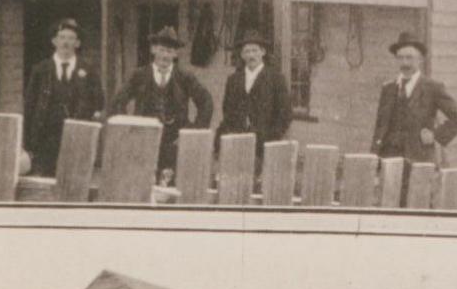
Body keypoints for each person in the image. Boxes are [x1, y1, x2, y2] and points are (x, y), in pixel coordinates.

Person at [110, 26, 213, 179]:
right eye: (162, 50)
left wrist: (192, 132)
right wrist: (131, 130)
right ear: (153, 50)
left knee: (173, 183)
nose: (165, 55)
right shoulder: (139, 75)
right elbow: (118, 102)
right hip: (145, 141)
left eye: (170, 51)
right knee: (142, 181)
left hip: (175, 143)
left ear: (176, 54)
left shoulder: (185, 77)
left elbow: (206, 102)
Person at [371, 31, 457, 180]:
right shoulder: (388, 88)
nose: (405, 63)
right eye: (400, 58)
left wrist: (435, 135)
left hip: (418, 163)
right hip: (389, 161)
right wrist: (375, 160)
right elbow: (380, 128)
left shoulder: (432, 87)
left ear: (420, 60)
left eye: (409, 58)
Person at [23, 18, 104, 177]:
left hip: (77, 138)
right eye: (62, 37)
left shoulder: (88, 71)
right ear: (54, 41)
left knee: (74, 180)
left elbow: (99, 102)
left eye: (71, 38)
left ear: (77, 43)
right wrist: (29, 143)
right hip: (45, 140)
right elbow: (30, 106)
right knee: (44, 183)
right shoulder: (41, 70)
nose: (66, 43)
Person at [217, 30, 293, 172]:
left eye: (254, 50)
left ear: (262, 52)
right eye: (247, 51)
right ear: (242, 55)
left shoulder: (275, 78)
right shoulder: (233, 80)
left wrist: (271, 138)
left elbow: (286, 113)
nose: (251, 55)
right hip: (237, 144)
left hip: (264, 146)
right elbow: (227, 111)